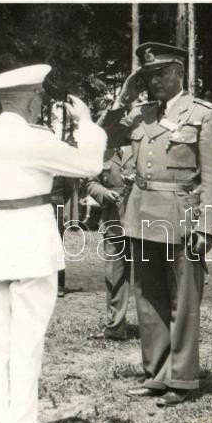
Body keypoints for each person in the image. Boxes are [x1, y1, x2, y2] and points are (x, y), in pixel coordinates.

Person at [0, 64, 105, 423]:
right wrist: (86, 123)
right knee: (27, 340)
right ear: (32, 99)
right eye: (38, 98)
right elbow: (89, 164)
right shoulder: (37, 141)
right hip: (31, 246)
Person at [100, 42, 212, 407]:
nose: (153, 81)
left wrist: (206, 226)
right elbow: (105, 138)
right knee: (148, 297)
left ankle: (183, 378)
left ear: (178, 73)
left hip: (182, 214)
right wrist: (123, 97)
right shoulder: (141, 114)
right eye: (148, 75)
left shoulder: (202, 113)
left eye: (160, 73)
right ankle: (156, 374)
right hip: (141, 214)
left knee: (183, 298)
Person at [85, 143, 134, 341]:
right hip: (114, 218)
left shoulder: (145, 143)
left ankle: (157, 327)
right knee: (115, 275)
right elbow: (90, 182)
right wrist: (104, 194)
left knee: (150, 276)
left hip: (144, 217)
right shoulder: (100, 151)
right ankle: (116, 326)